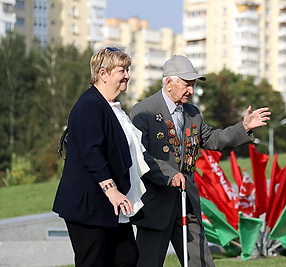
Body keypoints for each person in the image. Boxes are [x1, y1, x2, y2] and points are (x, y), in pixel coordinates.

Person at [130, 55, 271, 266]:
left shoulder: (193, 113)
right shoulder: (144, 111)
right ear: (169, 83)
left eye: (193, 85)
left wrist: (244, 128)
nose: (192, 91)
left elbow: (213, 139)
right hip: (155, 205)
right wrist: (169, 175)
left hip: (187, 203)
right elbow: (140, 155)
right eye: (187, 85)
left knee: (201, 262)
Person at [53, 47, 149, 267]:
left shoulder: (111, 107)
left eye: (128, 70)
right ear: (103, 74)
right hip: (91, 205)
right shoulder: (90, 105)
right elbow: (91, 152)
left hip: (112, 206)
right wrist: (111, 190)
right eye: (122, 70)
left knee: (127, 258)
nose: (127, 75)